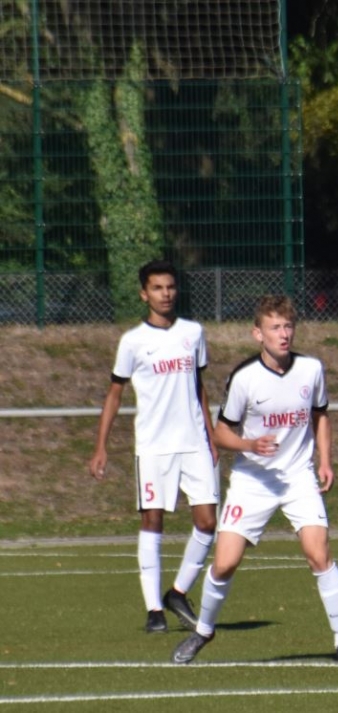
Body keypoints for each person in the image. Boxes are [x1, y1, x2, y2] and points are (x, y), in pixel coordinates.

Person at [171, 295, 338, 665]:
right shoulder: (244, 378)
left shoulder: (311, 369)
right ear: (258, 333)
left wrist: (325, 460)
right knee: (224, 564)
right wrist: (249, 444)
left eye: (288, 326)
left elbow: (321, 416)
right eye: (275, 327)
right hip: (252, 481)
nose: (283, 334)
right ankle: (203, 631)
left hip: (297, 478)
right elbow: (220, 433)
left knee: (318, 553)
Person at [88, 260, 218, 635]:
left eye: (171, 287)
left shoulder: (193, 333)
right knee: (152, 521)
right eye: (158, 288)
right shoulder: (132, 341)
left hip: (193, 442)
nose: (166, 294)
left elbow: (198, 387)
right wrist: (101, 447)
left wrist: (211, 436)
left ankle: (178, 592)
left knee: (208, 522)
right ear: (144, 294)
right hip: (154, 446)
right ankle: (154, 610)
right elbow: (115, 394)